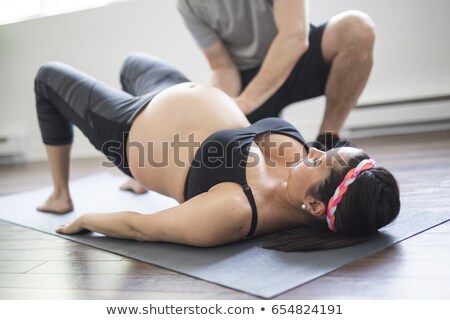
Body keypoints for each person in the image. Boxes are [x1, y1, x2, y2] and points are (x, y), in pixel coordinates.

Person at [34, 52, 400, 252]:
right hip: (172, 91)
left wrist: (87, 220)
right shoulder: (302, 181)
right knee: (132, 63)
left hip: (130, 127)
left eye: (318, 161)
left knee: (47, 77)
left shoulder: (235, 210)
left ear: (316, 206)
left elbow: (142, 228)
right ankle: (137, 183)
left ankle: (60, 195)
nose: (316, 151)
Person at [177, 0, 376, 151]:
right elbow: (222, 66)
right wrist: (225, 108)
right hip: (247, 76)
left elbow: (295, 35)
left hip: (297, 56)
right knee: (246, 158)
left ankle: (328, 140)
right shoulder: (189, 4)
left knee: (357, 28)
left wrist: (247, 101)